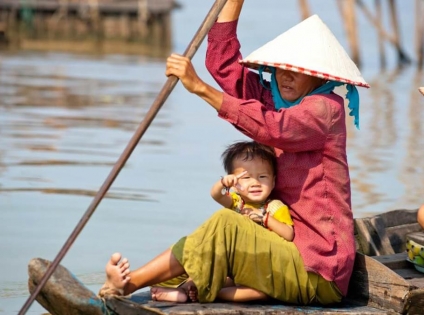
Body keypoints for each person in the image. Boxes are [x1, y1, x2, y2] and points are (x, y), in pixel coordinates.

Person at [99, 0, 369, 306]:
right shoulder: (276, 100)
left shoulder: (325, 109)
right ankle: (126, 285)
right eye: (281, 69)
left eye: (297, 71)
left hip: (318, 269)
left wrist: (199, 88)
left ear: (321, 77)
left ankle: (128, 285)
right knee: (200, 242)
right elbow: (224, 64)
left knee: (226, 225)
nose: (285, 77)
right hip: (281, 248)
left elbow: (272, 128)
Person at [150, 140, 294, 302]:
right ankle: (183, 291)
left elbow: (288, 234)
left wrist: (265, 219)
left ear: (273, 181)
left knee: (261, 293)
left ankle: (213, 293)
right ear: (234, 183)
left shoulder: (274, 208)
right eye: (246, 177)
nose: (255, 183)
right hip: (230, 264)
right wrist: (222, 183)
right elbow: (216, 195)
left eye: (262, 177)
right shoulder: (236, 202)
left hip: (257, 268)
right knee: (203, 274)